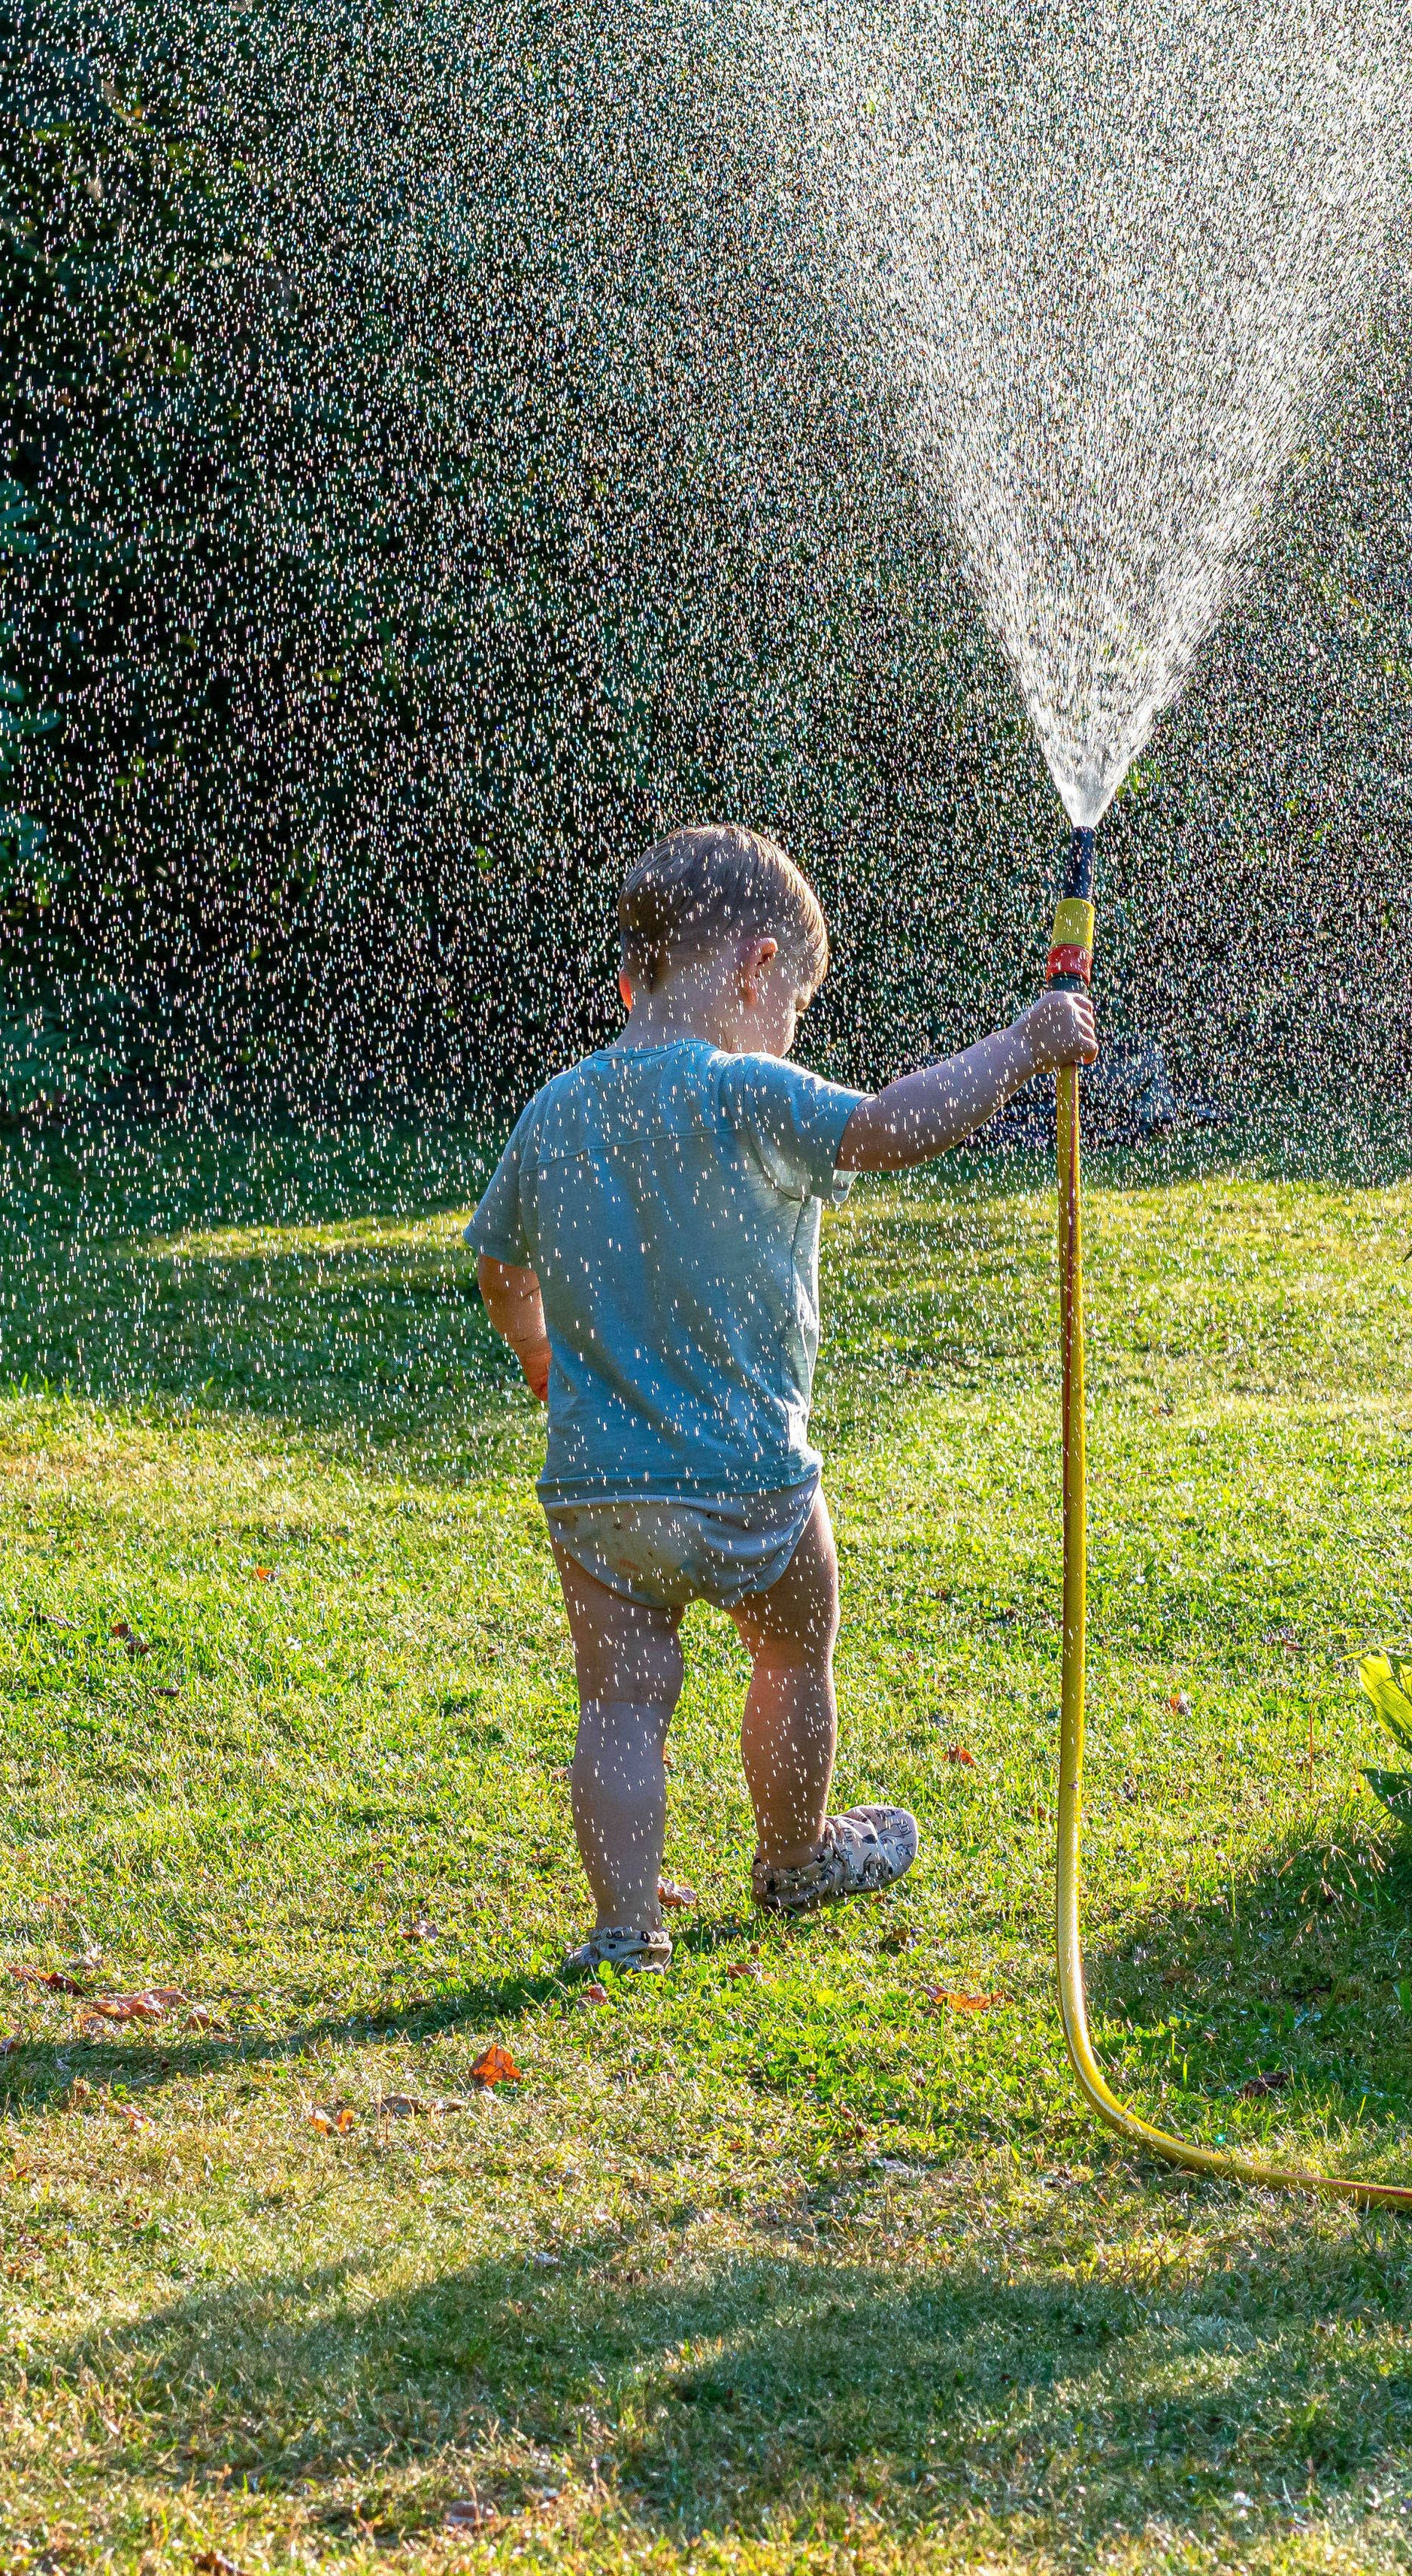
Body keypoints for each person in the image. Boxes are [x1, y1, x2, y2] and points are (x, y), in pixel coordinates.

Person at [469, 823, 1098, 1976]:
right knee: (795, 1652)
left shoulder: (554, 1111)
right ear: (759, 969)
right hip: (750, 1477)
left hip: (601, 1489)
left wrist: (539, 1355)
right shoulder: (746, 1091)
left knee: (620, 1702)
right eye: (798, 1001)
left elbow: (501, 1268)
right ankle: (796, 1853)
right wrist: (1019, 1048)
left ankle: (623, 1931)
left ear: (631, 974)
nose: (790, 1024)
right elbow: (886, 1127)